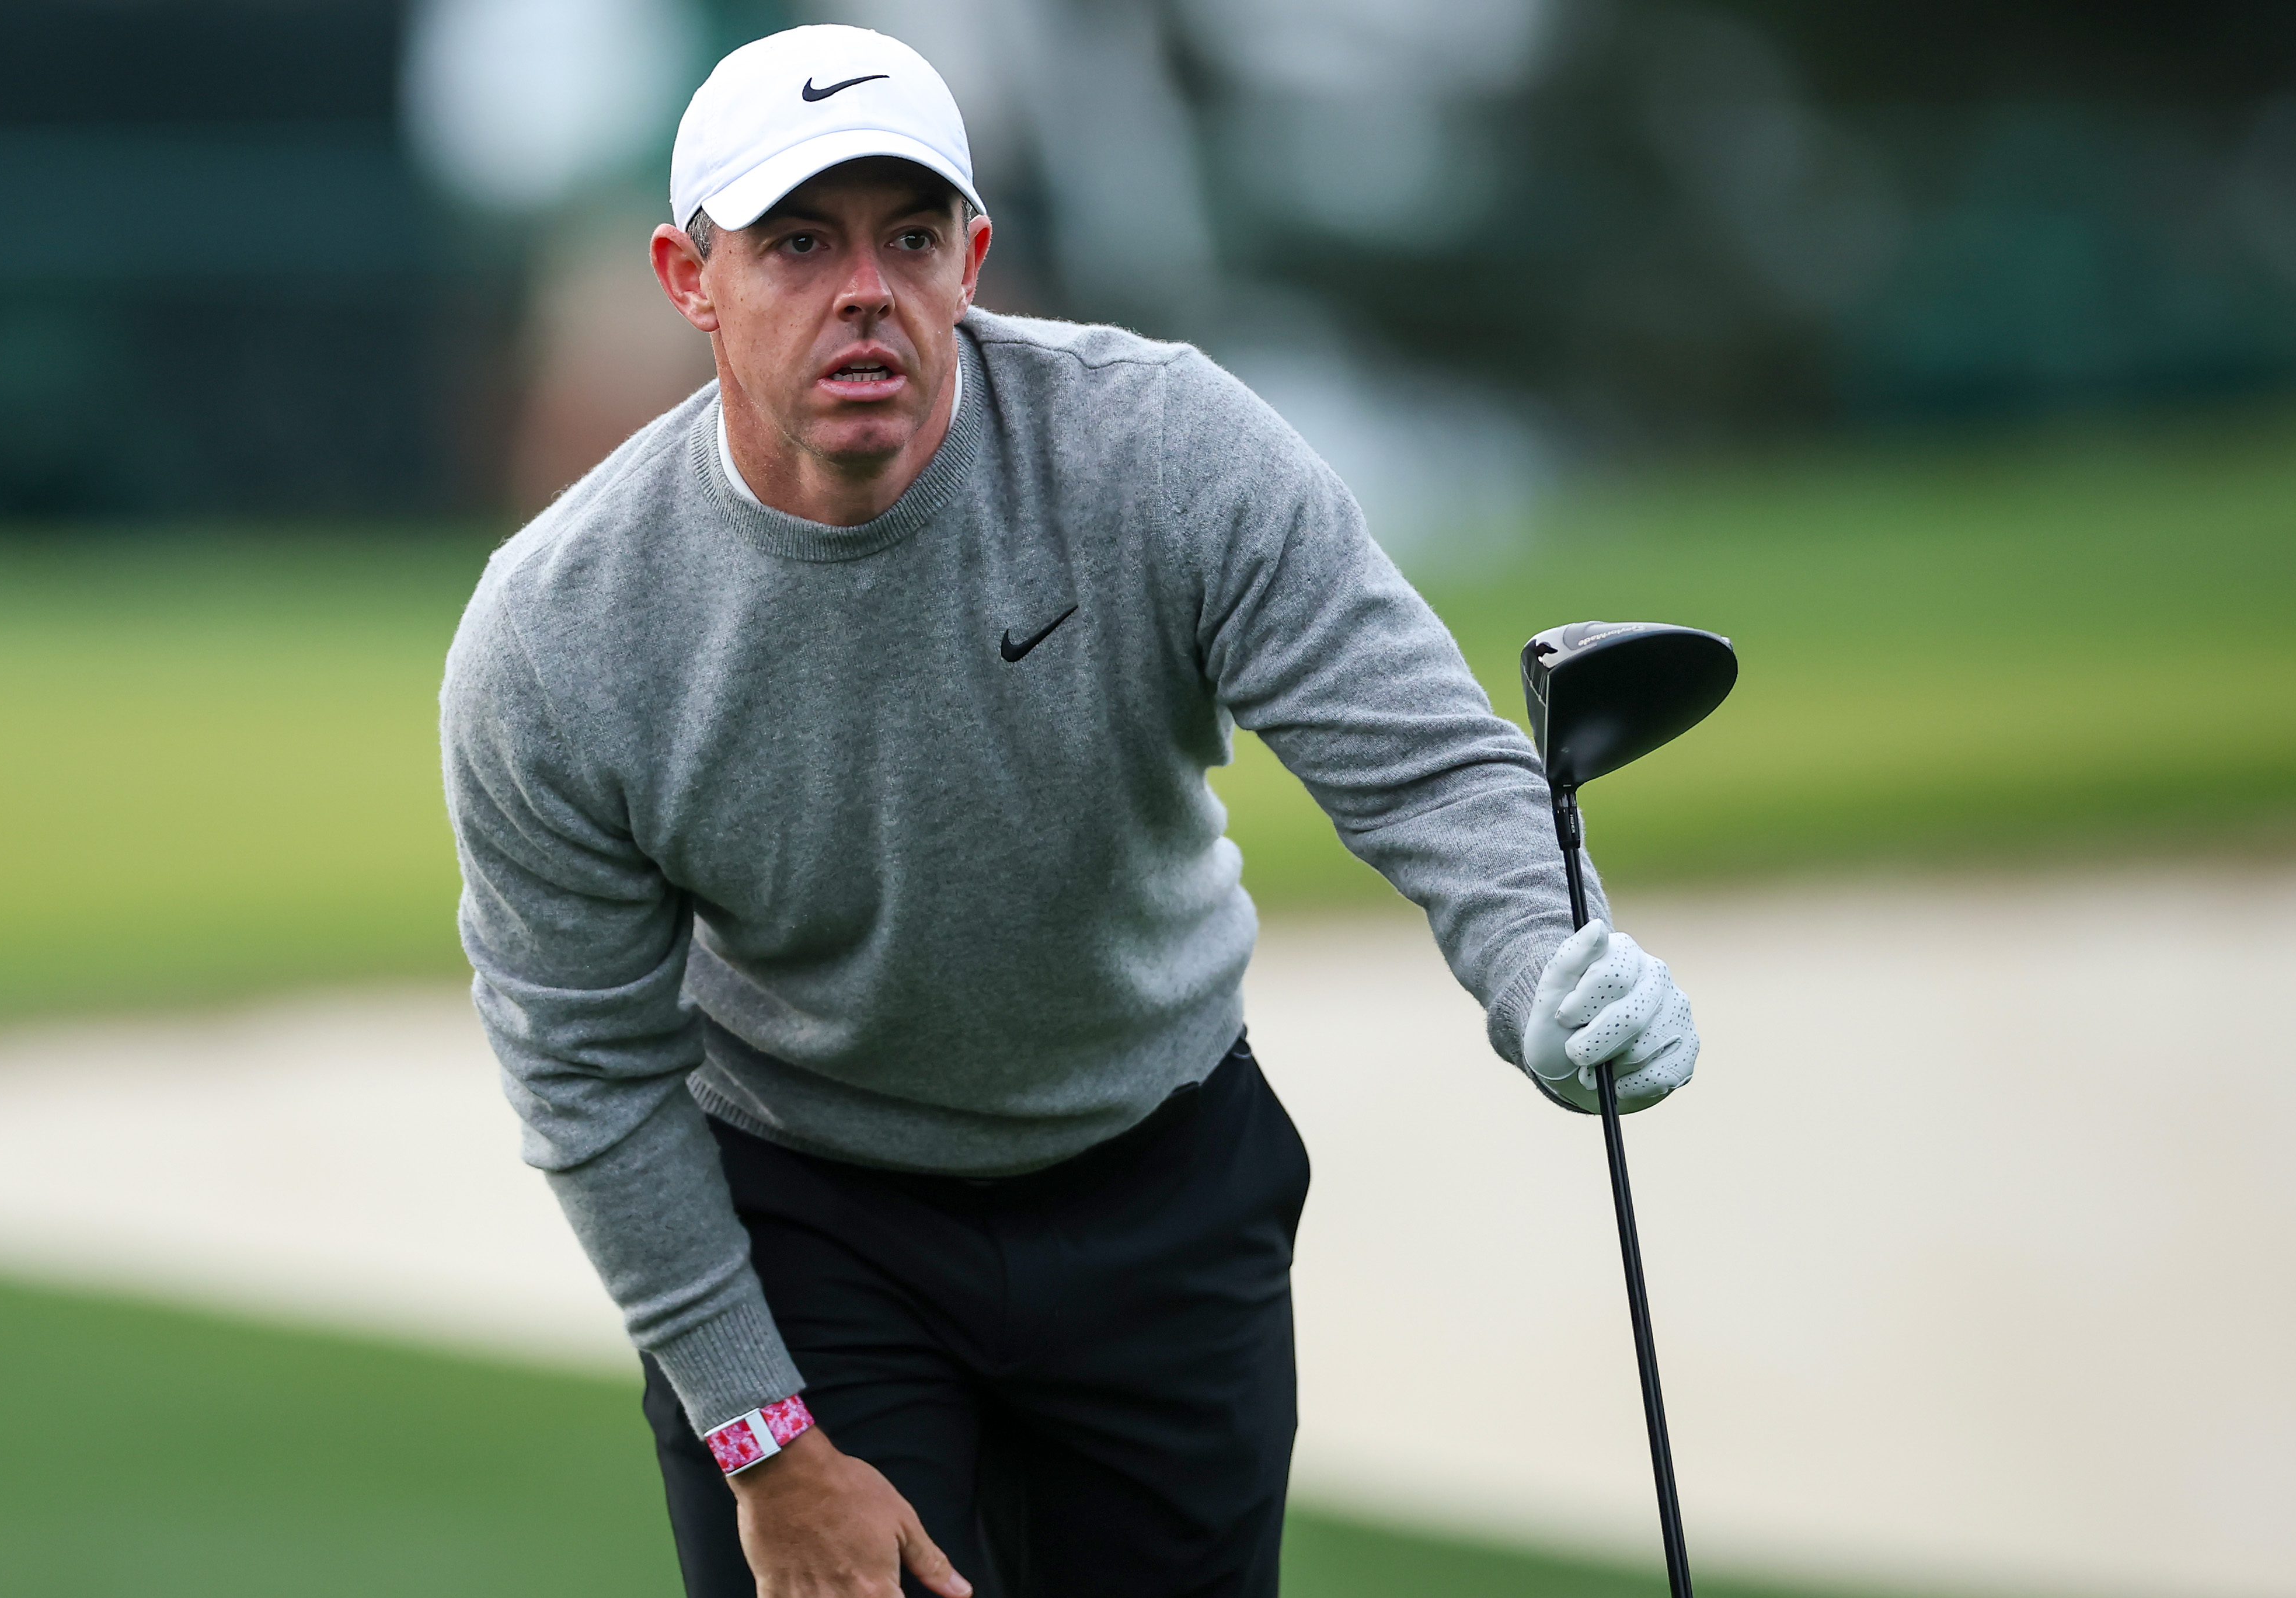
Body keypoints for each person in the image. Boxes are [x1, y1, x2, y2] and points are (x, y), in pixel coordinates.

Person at [439, 25, 1699, 1598]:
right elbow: (588, 1070)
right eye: (799, 244)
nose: (864, 292)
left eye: (910, 238)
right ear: (690, 279)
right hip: (815, 1218)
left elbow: (1422, 756)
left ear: (973, 258)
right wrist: (763, 1439)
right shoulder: (559, 633)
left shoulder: (1157, 451)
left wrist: (1541, 961)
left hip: (1158, 1180)